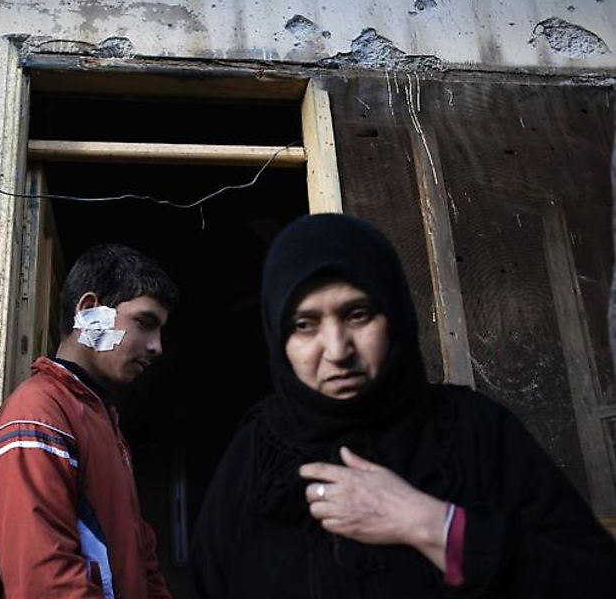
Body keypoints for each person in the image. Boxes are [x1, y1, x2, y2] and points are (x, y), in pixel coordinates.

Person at [190, 213, 616, 598]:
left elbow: (594, 580)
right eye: (305, 325)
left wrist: (433, 525)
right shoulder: (255, 459)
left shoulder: (474, 431)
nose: (338, 350)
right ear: (278, 339)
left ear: (395, 315)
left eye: (357, 314)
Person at [0, 244, 178, 598]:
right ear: (90, 312)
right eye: (145, 322)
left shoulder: (105, 421)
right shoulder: (38, 412)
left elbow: (143, 557)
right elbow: (43, 581)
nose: (157, 346)